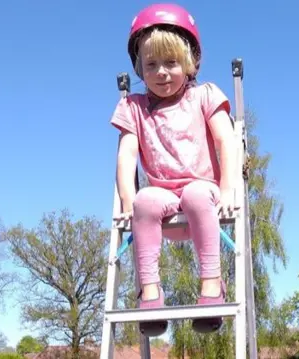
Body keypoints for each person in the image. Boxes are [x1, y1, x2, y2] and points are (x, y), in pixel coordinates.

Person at [110, 3, 237, 337]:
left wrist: (227, 189)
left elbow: (227, 141)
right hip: (163, 204)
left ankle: (211, 285)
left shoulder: (205, 96)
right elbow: (126, 155)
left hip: (203, 199)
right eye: (151, 65)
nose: (162, 72)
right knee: (145, 200)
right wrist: (127, 199)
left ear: (190, 62)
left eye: (171, 63)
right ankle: (150, 294)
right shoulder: (133, 108)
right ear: (139, 67)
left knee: (196, 192)